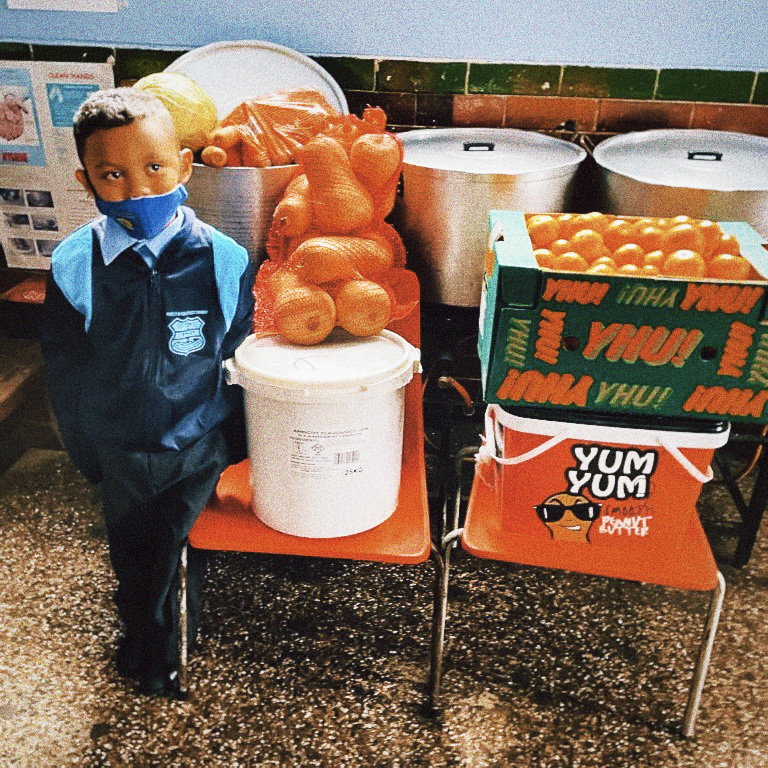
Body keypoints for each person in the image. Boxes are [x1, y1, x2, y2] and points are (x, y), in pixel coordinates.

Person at [41, 87, 255, 698]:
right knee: (135, 552)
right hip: (122, 449)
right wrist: (85, 449)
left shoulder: (224, 257)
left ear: (185, 165)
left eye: (154, 168)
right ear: (88, 182)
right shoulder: (74, 265)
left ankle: (165, 641)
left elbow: (239, 355)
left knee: (183, 545)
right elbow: (64, 365)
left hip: (198, 443)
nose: (138, 190)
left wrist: (233, 436)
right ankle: (145, 634)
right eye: (114, 175)